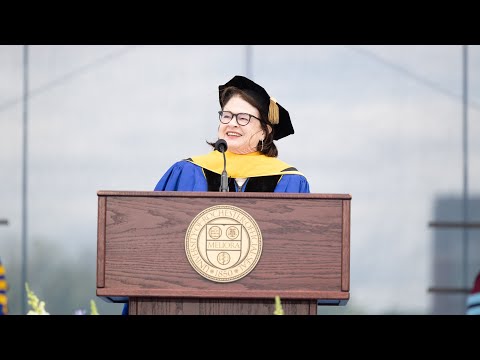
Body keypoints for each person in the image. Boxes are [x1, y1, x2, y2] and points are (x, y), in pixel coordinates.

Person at [122, 75, 310, 315]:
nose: (232, 123)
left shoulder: (290, 180)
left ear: (265, 130)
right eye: (227, 116)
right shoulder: (186, 171)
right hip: (185, 304)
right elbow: (152, 242)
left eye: (244, 118)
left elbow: (297, 256)